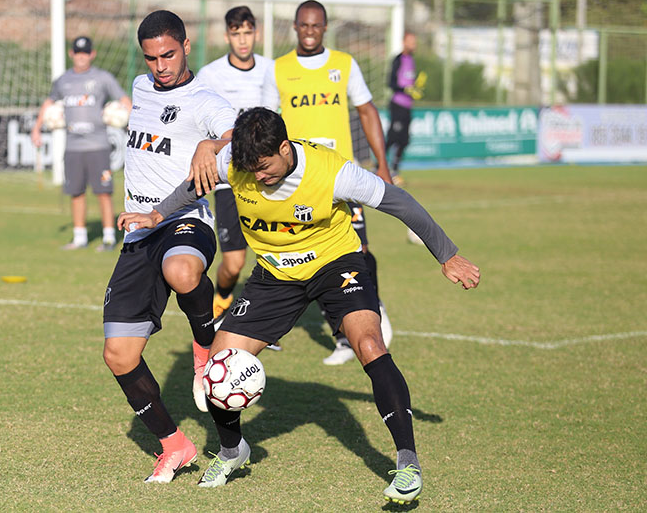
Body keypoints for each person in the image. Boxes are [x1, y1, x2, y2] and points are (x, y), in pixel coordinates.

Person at [118, 107, 480, 503]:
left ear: (285, 148)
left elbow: (400, 202)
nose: (258, 177)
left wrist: (447, 255)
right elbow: (194, 184)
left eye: (264, 166)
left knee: (369, 343)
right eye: (249, 169)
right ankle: (232, 450)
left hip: (335, 264)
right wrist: (156, 214)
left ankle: (407, 463)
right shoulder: (236, 163)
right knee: (218, 367)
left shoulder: (334, 172)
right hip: (274, 275)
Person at [101, 10, 235, 483]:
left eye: (169, 54)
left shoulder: (204, 98)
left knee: (183, 273)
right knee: (119, 354)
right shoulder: (139, 87)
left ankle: (204, 349)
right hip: (138, 232)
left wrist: (211, 146)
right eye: (152, 58)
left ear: (186, 45)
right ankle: (174, 445)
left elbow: (238, 129)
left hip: (184, 220)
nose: (160, 66)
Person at [262, 0, 393, 365]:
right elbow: (268, 123)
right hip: (300, 182)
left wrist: (382, 164)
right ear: (294, 26)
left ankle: (371, 312)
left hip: (341, 178)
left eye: (315, 26)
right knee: (316, 256)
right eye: (303, 25)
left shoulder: (344, 65)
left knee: (360, 252)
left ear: (325, 27)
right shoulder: (279, 69)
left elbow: (366, 111)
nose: (309, 31)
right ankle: (343, 336)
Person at [196, 6, 278, 351]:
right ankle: (222, 301)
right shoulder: (210, 75)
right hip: (231, 180)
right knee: (233, 263)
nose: (242, 40)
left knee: (274, 253)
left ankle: (265, 324)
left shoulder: (271, 71)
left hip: (266, 178)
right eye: (235, 33)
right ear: (227, 35)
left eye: (247, 32)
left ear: (255, 33)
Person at [32, 36, 132, 251]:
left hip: (98, 146)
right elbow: (49, 102)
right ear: (71, 54)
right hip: (73, 148)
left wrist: (133, 123)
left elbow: (123, 100)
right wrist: (37, 128)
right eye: (78, 53)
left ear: (92, 54)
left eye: (85, 53)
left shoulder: (103, 78)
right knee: (75, 192)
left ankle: (108, 237)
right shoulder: (63, 81)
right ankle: (80, 237)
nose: (81, 57)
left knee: (103, 192)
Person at [386, 31, 420, 186]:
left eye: (415, 42)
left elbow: (409, 82)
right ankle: (378, 167)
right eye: (411, 41)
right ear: (404, 42)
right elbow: (391, 83)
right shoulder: (398, 60)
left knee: (404, 140)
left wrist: (415, 90)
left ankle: (395, 171)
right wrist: (405, 89)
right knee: (393, 137)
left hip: (407, 106)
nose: (414, 45)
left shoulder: (412, 60)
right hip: (397, 105)